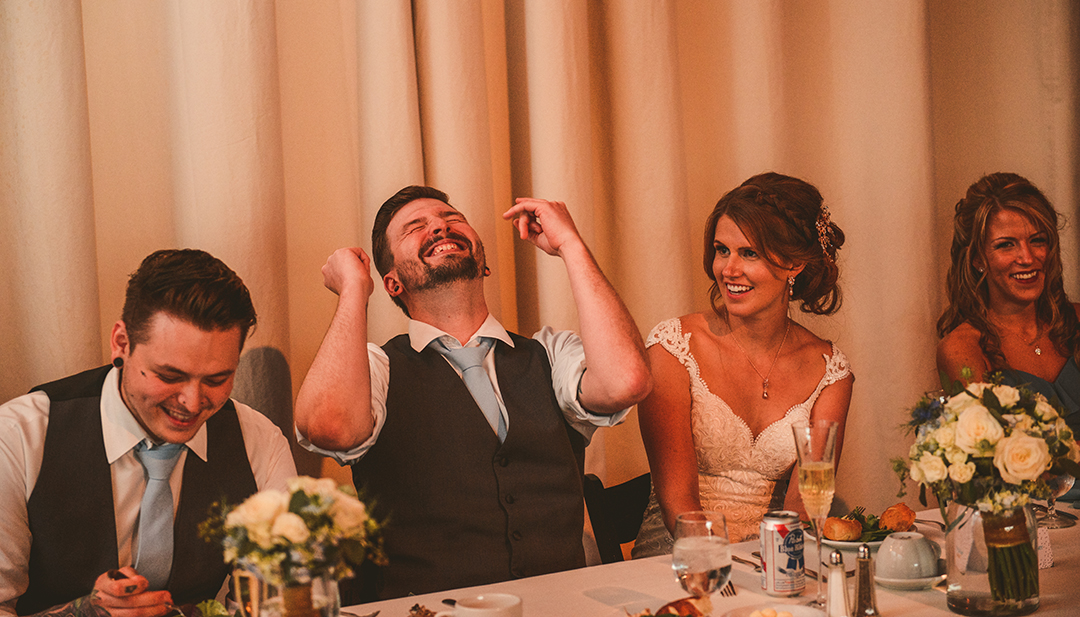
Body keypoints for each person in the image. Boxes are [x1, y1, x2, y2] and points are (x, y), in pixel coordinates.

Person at [294, 186, 651, 599]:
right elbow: (330, 426)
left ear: (483, 263)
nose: (440, 226)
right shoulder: (377, 369)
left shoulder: (549, 356)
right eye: (416, 227)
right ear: (392, 283)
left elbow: (628, 381)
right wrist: (354, 289)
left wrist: (571, 245)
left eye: (452, 218)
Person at [0, 250, 297, 617]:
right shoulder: (19, 437)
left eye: (217, 380)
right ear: (121, 343)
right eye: (170, 376)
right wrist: (81, 612)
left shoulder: (260, 443)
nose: (191, 403)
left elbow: (275, 607)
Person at [633, 172, 854, 556]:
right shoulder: (673, 347)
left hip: (773, 559)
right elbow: (678, 501)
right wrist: (721, 574)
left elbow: (804, 505)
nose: (728, 270)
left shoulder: (830, 371)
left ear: (793, 265)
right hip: (681, 557)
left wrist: (772, 578)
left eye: (748, 253)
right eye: (722, 250)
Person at [937, 172, 1080, 442]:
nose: (1027, 258)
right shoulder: (963, 348)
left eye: (1037, 240)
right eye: (1006, 245)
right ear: (978, 258)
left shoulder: (1076, 320)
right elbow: (985, 455)